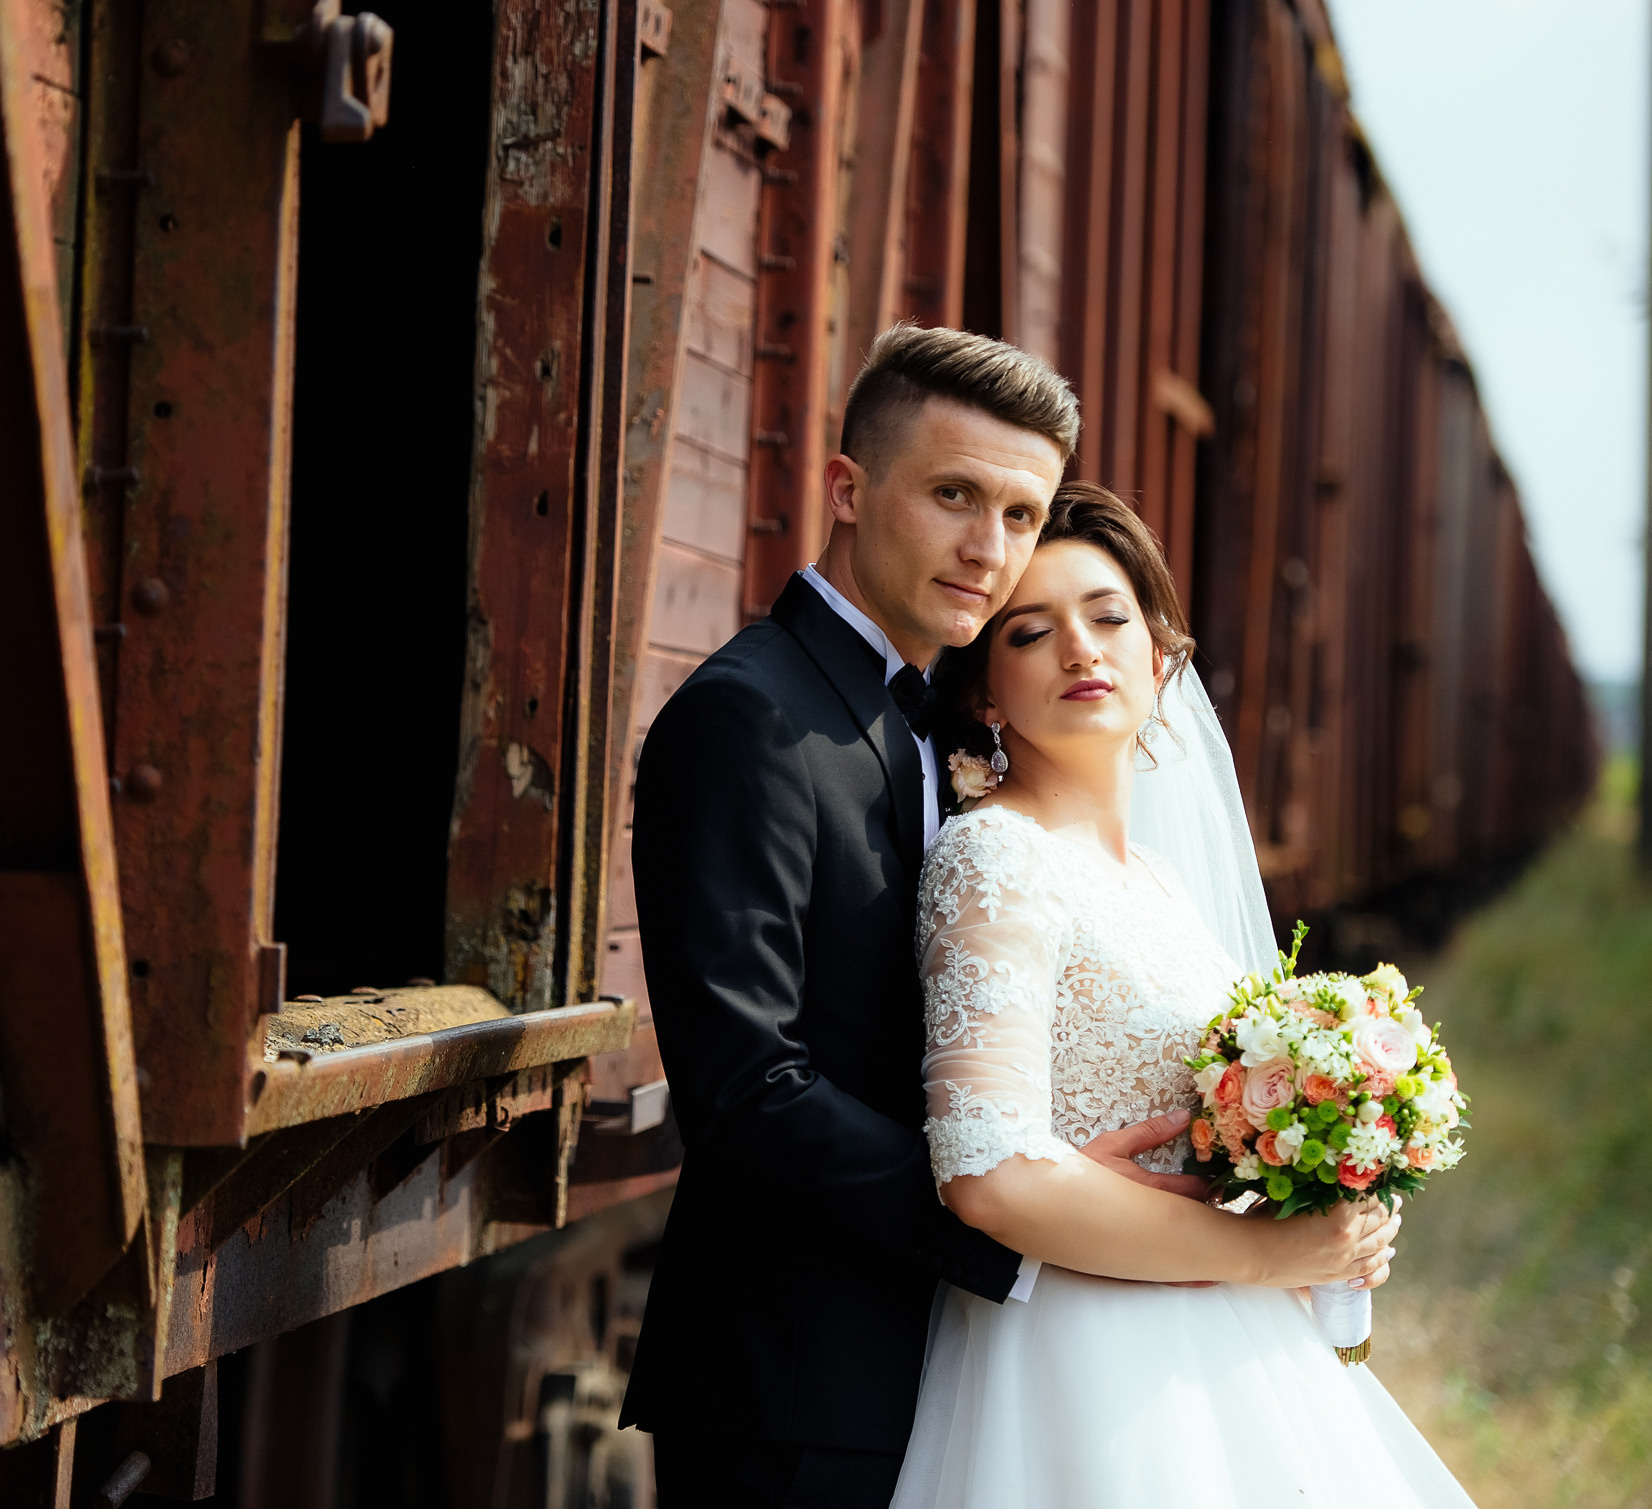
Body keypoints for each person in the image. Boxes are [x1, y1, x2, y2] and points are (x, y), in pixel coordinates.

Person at [621, 324, 1400, 1508]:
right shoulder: (752, 718)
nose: (989, 550)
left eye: (1021, 515)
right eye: (952, 496)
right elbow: (744, 1090)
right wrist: (1014, 1199)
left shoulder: (928, 721)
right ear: (848, 488)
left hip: (959, 1352)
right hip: (798, 1373)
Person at [892, 483, 1471, 1506]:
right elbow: (985, 1175)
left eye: (1109, 617)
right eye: (1033, 633)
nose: (1082, 650)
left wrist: (1323, 1183)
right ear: (986, 692)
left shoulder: (1158, 879)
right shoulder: (994, 859)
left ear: (1160, 659)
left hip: (1219, 1330)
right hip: (1076, 1358)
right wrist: (1259, 1251)